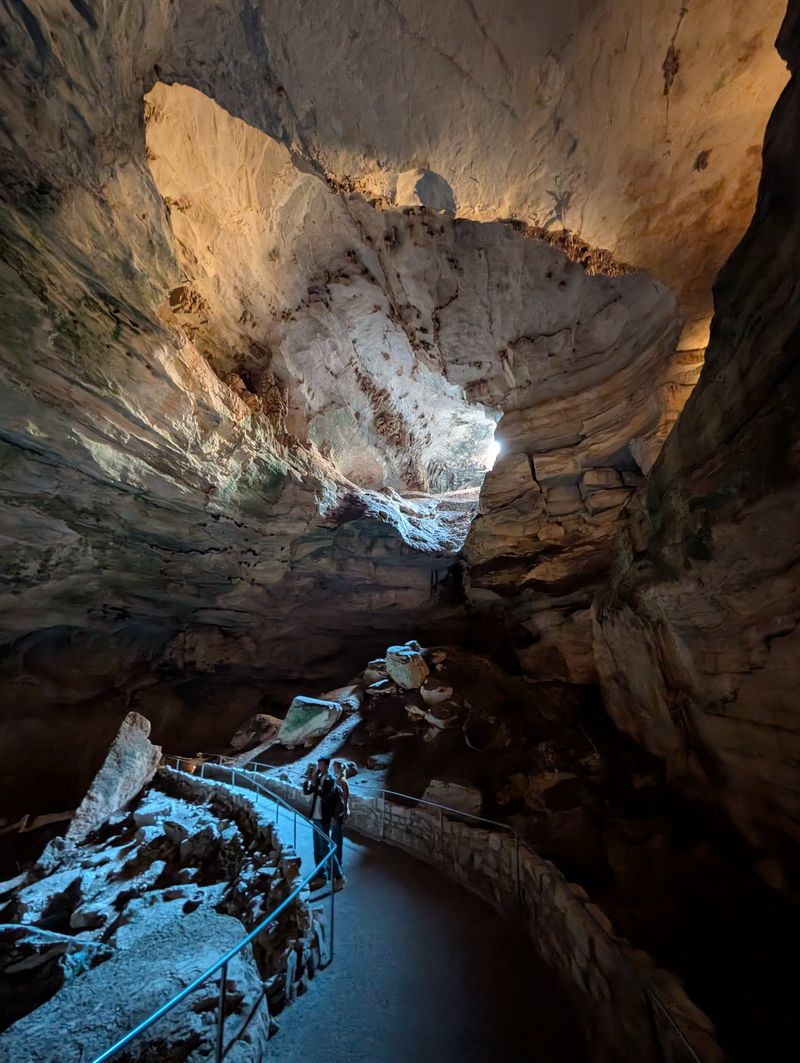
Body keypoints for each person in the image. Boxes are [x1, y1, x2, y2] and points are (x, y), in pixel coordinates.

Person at [302, 757, 341, 888]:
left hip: (323, 818)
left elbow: (325, 796)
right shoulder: (318, 777)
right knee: (317, 849)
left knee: (325, 848)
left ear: (327, 766)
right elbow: (307, 792)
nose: (319, 767)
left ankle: (339, 876)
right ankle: (321, 875)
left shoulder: (330, 779)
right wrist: (307, 780)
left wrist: (316, 784)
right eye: (318, 765)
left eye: (321, 765)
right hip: (316, 817)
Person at [331, 760, 351, 888]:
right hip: (337, 814)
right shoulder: (339, 780)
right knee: (337, 840)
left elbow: (345, 799)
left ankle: (338, 870)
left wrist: (344, 812)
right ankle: (337, 865)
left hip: (338, 814)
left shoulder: (342, 782)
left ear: (338, 769)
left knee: (335, 841)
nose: (333, 769)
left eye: (334, 768)